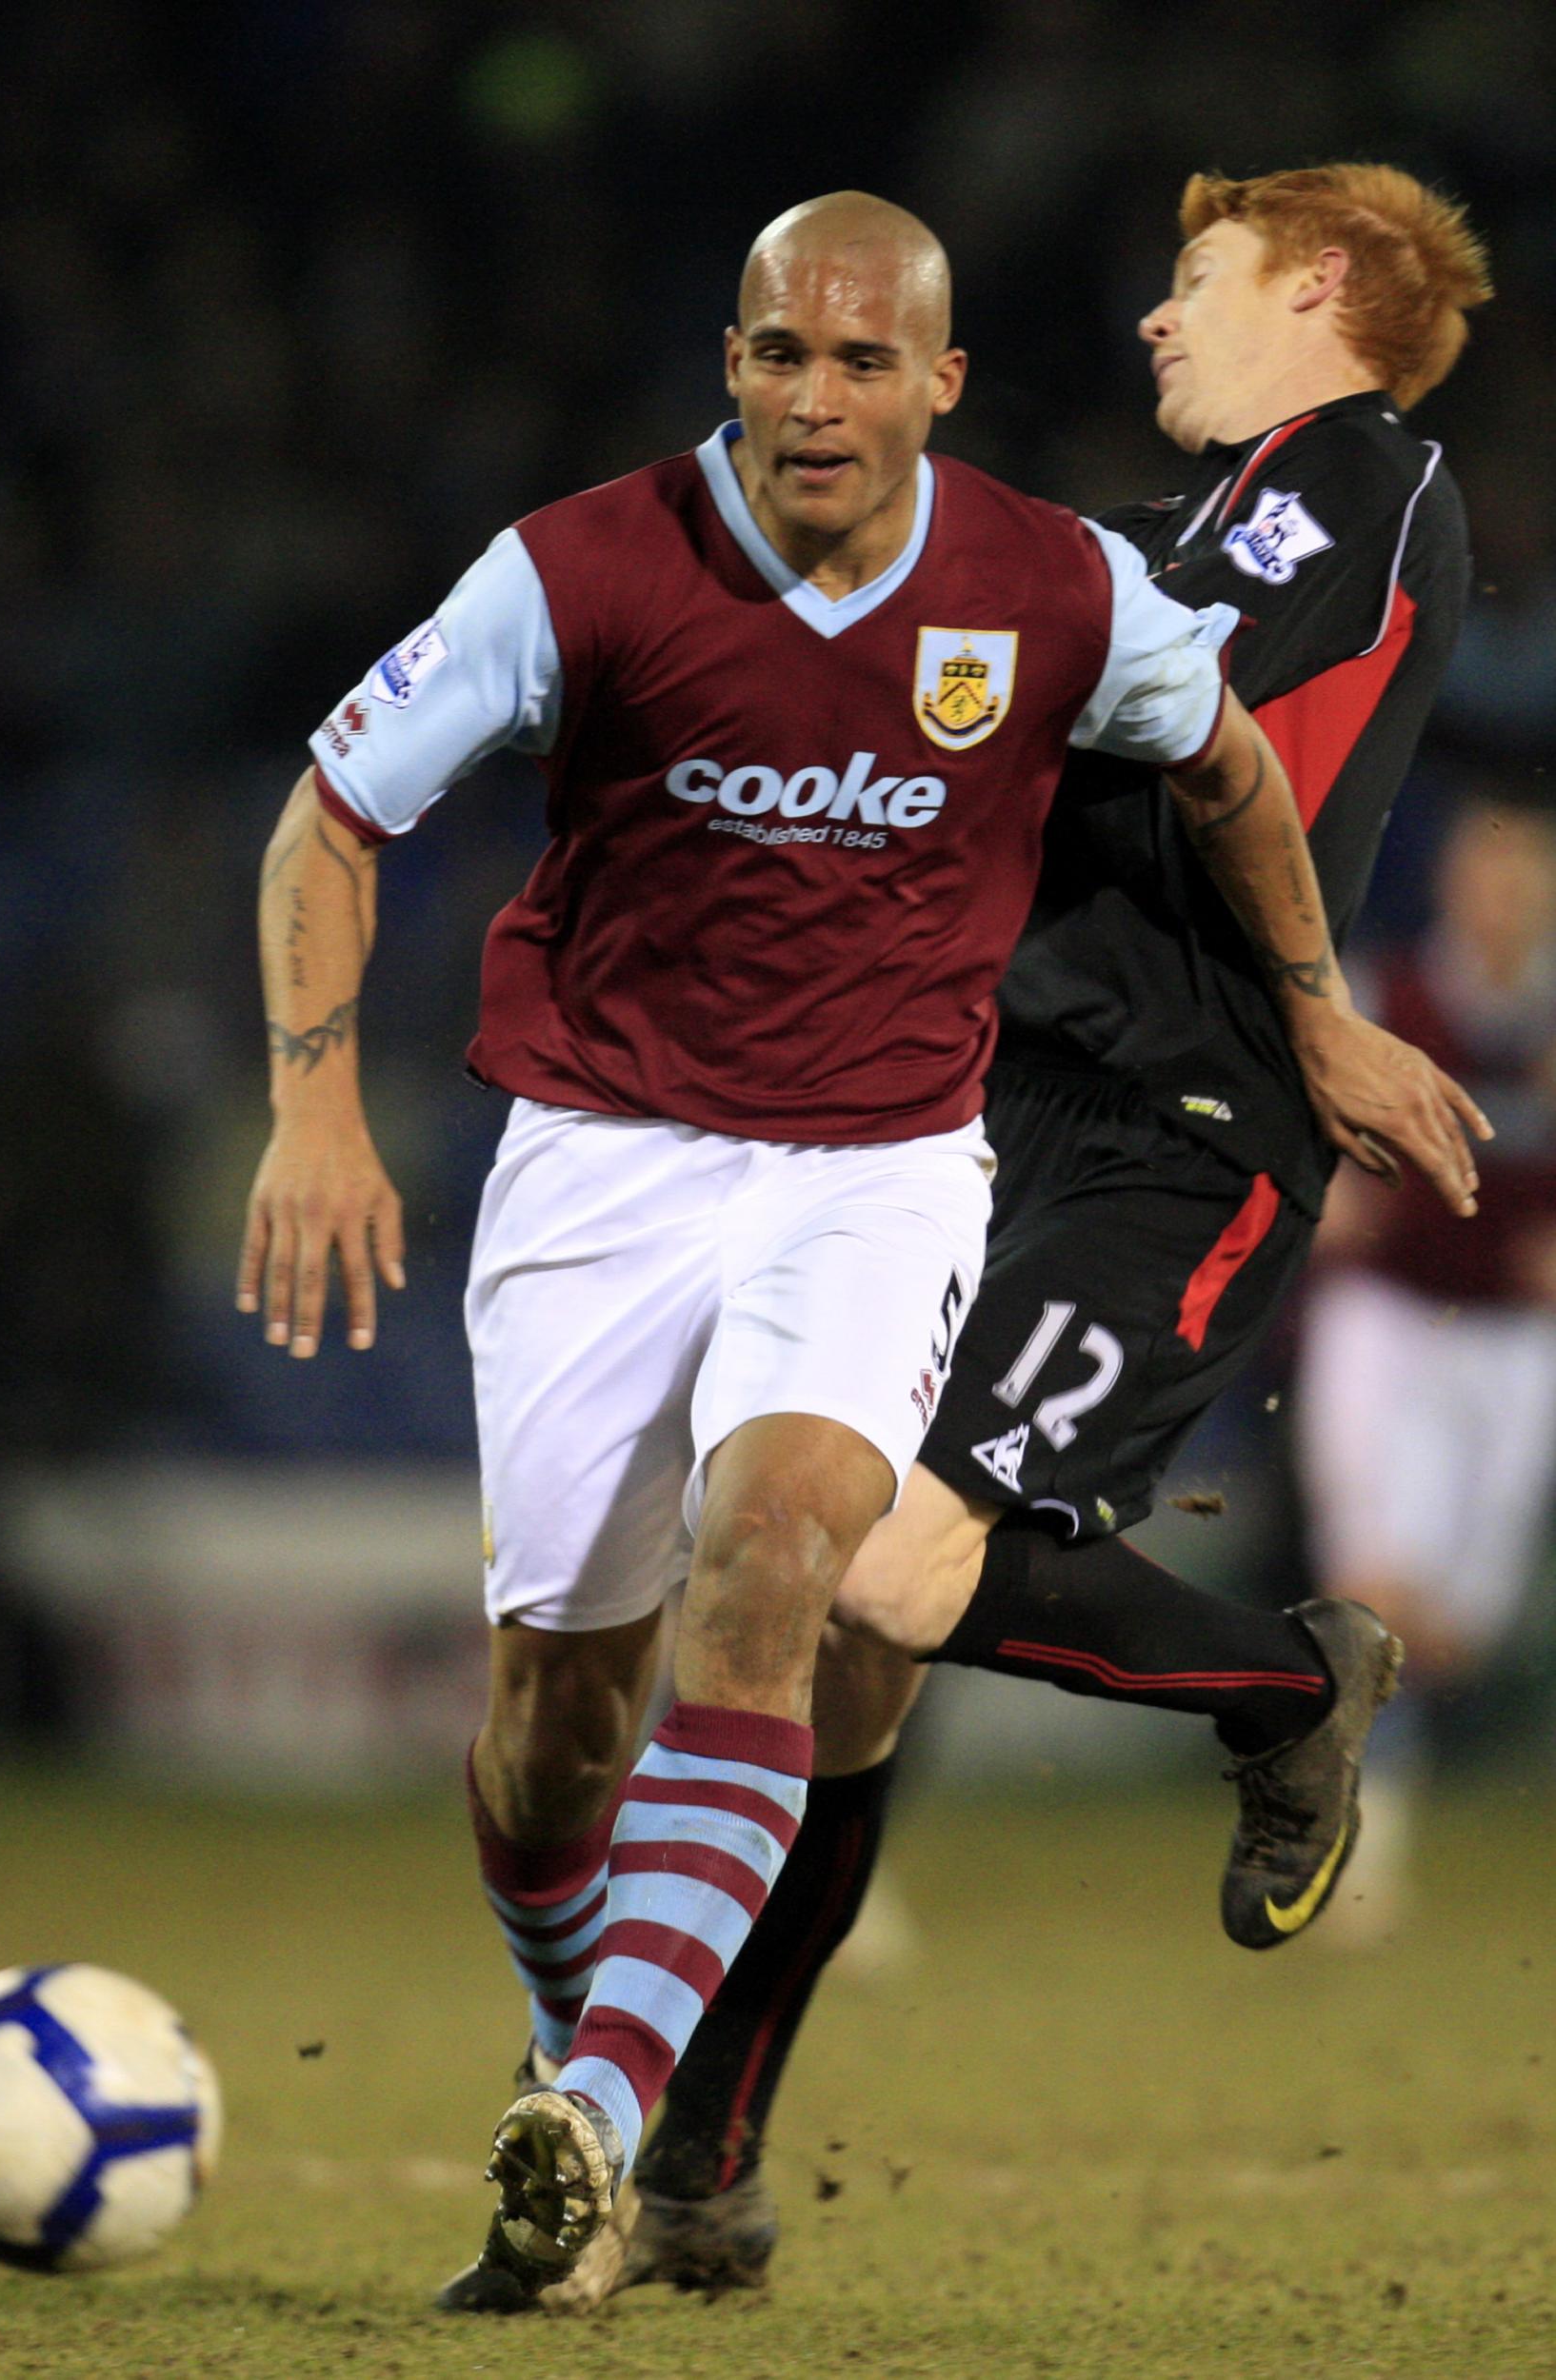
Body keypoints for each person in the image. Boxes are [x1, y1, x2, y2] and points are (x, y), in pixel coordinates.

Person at [237, 188, 1480, 2308]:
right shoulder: (676, 552)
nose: (1158, 315)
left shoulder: (1330, 491)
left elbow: (1188, 738)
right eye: (779, 356)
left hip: (1154, 1126)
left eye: (1195, 280)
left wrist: (1309, 1002)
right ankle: (700, 2142)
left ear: (1317, 293)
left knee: (857, 1551)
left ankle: (1283, 1683)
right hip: (929, 1093)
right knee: (768, 1667)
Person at [1295, 783, 1556, 1943]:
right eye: (1485, 874)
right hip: (1389, 1321)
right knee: (1375, 1585)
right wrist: (1324, 1192)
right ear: (1452, 884)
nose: (1502, 899)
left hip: (1513, 1340)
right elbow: (1293, 1124)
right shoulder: (1380, 995)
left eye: (1523, 878)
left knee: (1455, 1626)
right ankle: (1357, 1846)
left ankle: (1365, 1795)